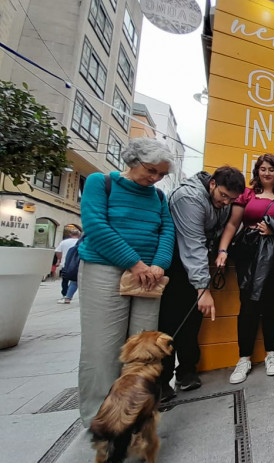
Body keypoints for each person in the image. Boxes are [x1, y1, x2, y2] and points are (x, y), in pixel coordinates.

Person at [77, 138, 175, 427]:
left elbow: (167, 230)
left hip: (149, 277)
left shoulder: (158, 197)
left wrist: (158, 264)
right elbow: (95, 225)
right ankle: (100, 415)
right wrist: (135, 263)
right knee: (103, 347)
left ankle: (137, 411)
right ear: (134, 160)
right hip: (105, 269)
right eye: (151, 170)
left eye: (161, 174)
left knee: (144, 347)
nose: (155, 178)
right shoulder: (100, 182)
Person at [158, 166, 245, 400]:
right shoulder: (189, 198)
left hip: (197, 265)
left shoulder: (221, 203)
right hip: (176, 264)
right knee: (169, 322)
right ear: (213, 184)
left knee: (192, 320)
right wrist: (202, 288)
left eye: (231, 199)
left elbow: (229, 227)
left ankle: (186, 370)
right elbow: (192, 244)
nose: (225, 202)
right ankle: (161, 380)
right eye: (223, 196)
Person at [217, 154, 274, 383]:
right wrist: (222, 250)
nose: (267, 173)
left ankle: (271, 354)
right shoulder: (247, 194)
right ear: (257, 172)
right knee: (248, 305)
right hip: (249, 255)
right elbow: (233, 223)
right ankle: (244, 358)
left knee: (273, 305)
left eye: (271, 169)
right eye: (263, 168)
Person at [55, 228, 81, 304]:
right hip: (76, 264)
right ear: (79, 235)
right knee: (74, 281)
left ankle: (65, 294)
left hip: (65, 263)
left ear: (70, 234)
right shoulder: (79, 242)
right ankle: (68, 296)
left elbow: (58, 252)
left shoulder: (64, 242)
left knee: (65, 280)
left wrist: (59, 260)